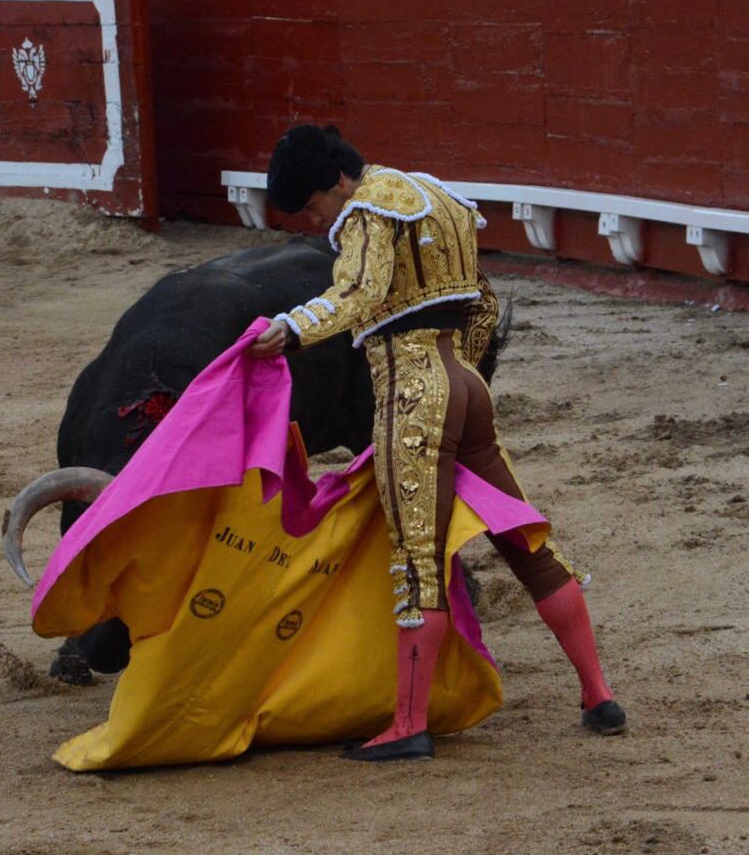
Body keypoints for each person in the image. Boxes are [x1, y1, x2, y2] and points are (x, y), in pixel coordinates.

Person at [250, 124, 627, 761]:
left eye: (315, 207)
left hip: (412, 392)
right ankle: (598, 696)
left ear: (337, 180)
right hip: (465, 384)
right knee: (528, 543)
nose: (319, 222)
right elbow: (483, 301)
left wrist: (291, 328)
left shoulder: (367, 209)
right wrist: (464, 378)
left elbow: (357, 294)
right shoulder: (438, 197)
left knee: (417, 561)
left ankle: (408, 724)